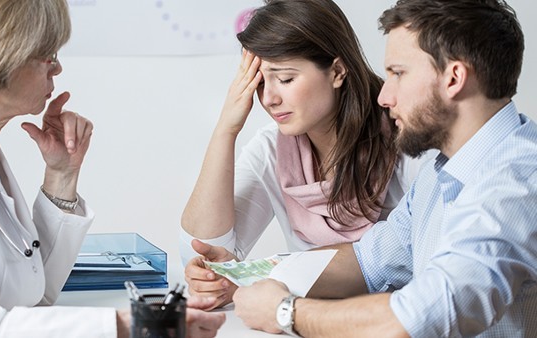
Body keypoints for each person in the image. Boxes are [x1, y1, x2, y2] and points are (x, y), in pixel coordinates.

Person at [230, 0, 537, 336]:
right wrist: (246, 275)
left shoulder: (516, 182)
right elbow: (367, 260)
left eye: (398, 74)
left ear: (454, 78)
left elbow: (413, 320)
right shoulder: (443, 172)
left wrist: (285, 312)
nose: (384, 96)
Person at [0, 1, 224, 337]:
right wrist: (123, 325)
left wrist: (62, 174)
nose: (57, 69)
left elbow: (34, 293)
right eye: (46, 55)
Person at [180, 0, 435, 310]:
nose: (269, 99)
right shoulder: (273, 151)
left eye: (285, 79)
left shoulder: (407, 142)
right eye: (260, 82)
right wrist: (226, 129)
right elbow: (204, 249)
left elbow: (420, 266)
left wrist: (261, 277)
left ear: (338, 71)